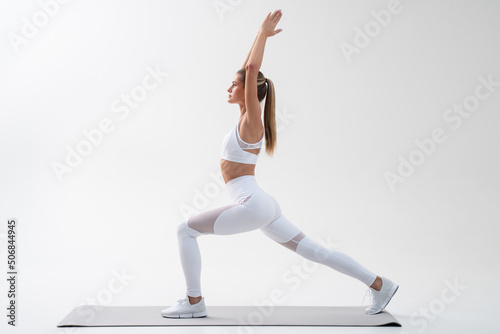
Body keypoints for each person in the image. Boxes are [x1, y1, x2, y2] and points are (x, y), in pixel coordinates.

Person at [161, 9, 398, 318]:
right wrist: (257, 40)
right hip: (263, 205)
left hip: (252, 205)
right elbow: (248, 69)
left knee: (185, 230)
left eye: (234, 85)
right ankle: (380, 284)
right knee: (317, 252)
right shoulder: (245, 120)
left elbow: (251, 67)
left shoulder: (252, 122)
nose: (229, 88)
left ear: (247, 92)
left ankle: (194, 304)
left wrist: (261, 34)